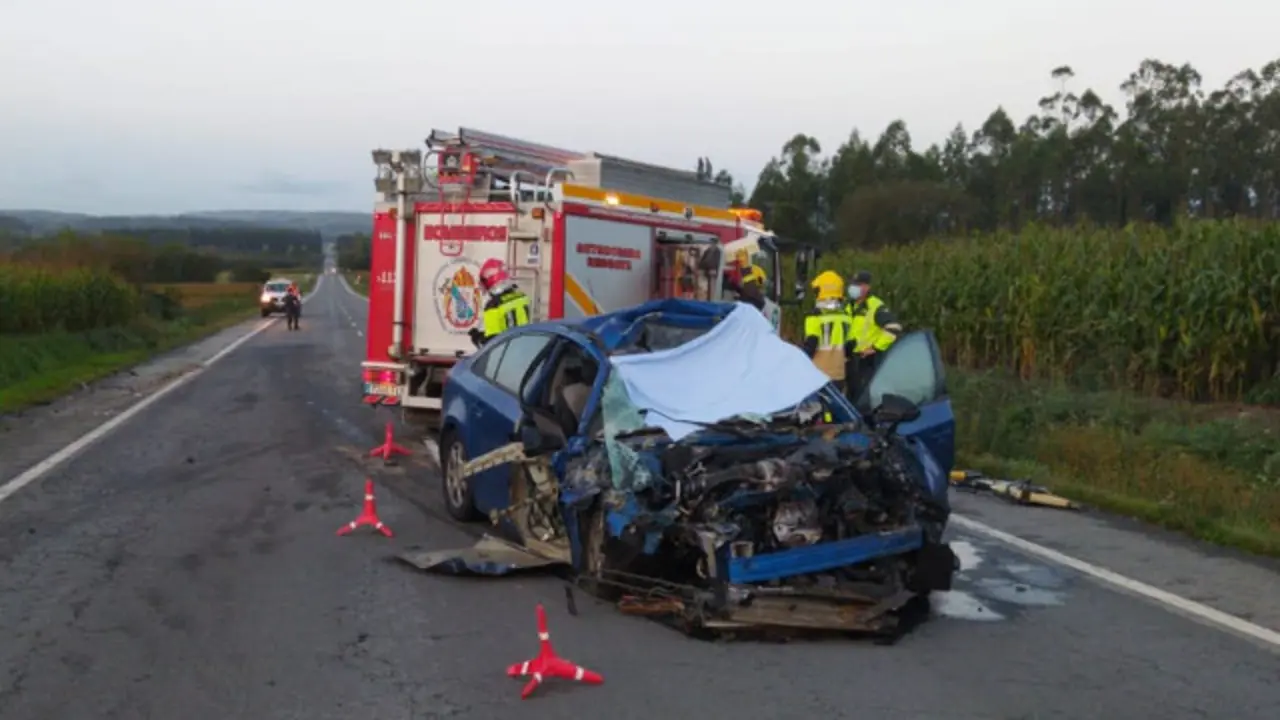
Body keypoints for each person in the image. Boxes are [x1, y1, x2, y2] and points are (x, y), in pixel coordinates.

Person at [843, 269, 903, 396]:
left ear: (866, 287)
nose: (853, 288)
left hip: (867, 361)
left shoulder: (875, 306)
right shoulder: (848, 306)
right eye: (853, 284)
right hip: (850, 359)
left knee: (864, 396)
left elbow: (894, 328)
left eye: (858, 285)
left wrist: (875, 347)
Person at [801, 270, 855, 392]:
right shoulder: (846, 318)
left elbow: (811, 345)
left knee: (816, 409)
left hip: (818, 375)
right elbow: (850, 348)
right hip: (839, 374)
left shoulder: (814, 318)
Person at [469, 258, 531, 348]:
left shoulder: (493, 306)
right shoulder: (522, 296)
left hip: (506, 353)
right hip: (524, 348)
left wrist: (477, 338)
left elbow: (492, 343)